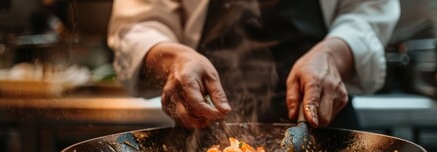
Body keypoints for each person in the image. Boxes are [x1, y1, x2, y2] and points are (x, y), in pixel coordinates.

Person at [108, 0, 400, 129]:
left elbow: (368, 12)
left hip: (325, 127)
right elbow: (138, 27)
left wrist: (334, 55)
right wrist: (174, 59)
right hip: (201, 133)